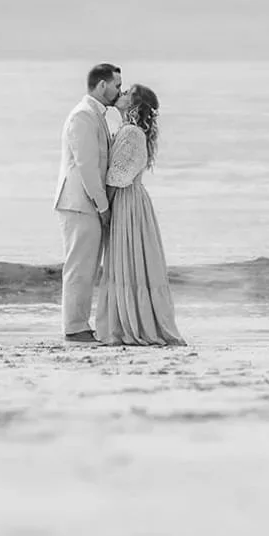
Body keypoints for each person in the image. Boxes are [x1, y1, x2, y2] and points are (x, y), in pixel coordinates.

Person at [95, 84, 185, 346]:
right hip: (133, 199)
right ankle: (133, 319)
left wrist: (105, 209)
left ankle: (132, 324)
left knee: (128, 259)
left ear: (134, 105)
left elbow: (117, 176)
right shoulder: (130, 131)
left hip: (126, 201)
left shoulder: (131, 133)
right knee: (131, 260)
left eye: (126, 93)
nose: (120, 95)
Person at [53, 63, 121, 343]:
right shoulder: (83, 116)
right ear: (101, 85)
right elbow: (86, 167)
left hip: (85, 202)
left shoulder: (96, 115)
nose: (119, 90)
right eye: (116, 85)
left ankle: (80, 323)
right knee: (79, 266)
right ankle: (74, 326)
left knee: (87, 265)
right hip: (79, 203)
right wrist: (103, 206)